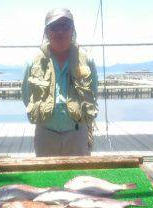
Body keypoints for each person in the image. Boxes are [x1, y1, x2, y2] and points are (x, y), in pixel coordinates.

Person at [22, 8, 98, 157]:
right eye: (54, 27)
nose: (60, 32)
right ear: (46, 32)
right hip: (46, 134)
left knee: (80, 178)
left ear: (73, 30)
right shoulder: (32, 62)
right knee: (46, 178)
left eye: (65, 26)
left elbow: (94, 93)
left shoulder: (87, 60)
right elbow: (26, 96)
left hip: (78, 134)